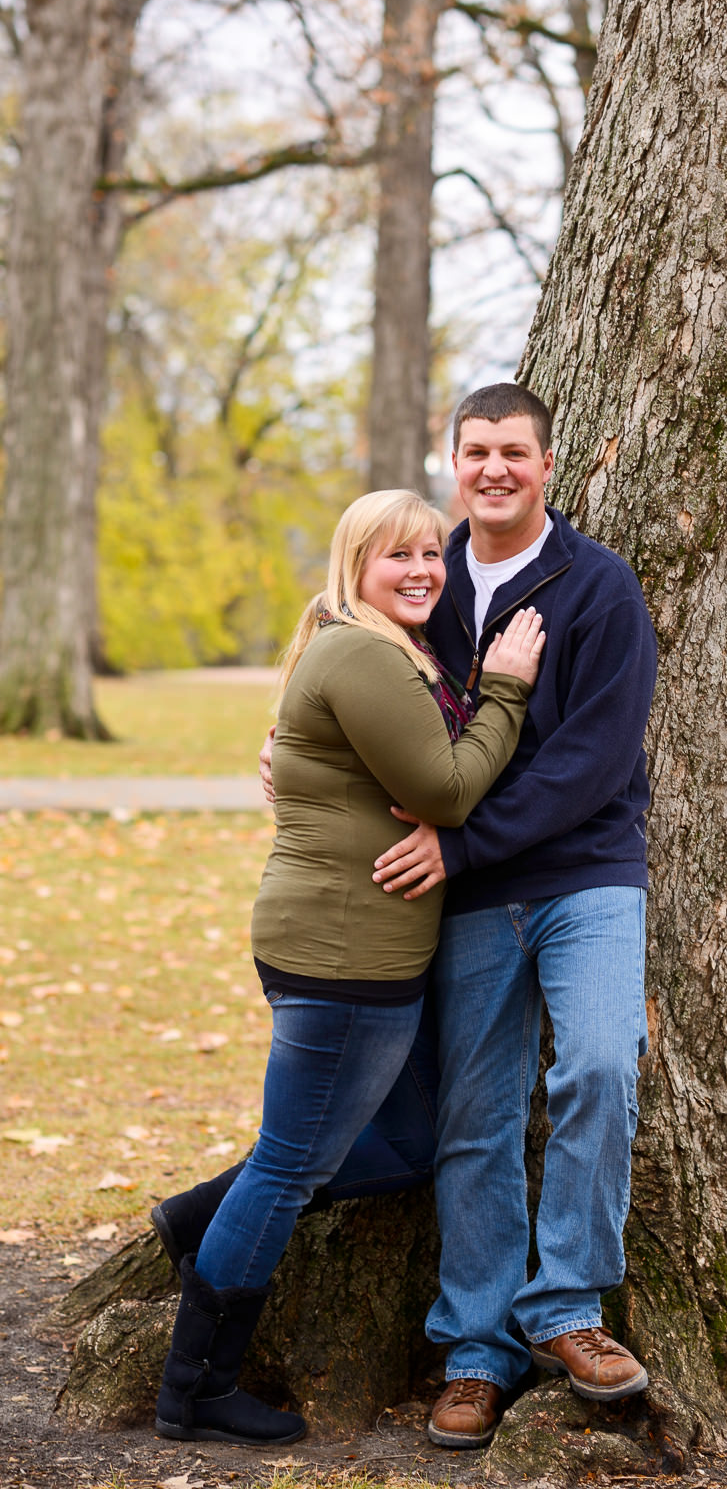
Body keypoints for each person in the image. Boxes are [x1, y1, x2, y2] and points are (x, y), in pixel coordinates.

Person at [153, 489, 545, 1448]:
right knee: (290, 1168)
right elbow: (445, 790)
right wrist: (507, 690)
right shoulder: (364, 652)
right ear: (353, 566)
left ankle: (193, 1220)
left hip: (367, 951)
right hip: (343, 956)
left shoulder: (385, 650)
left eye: (429, 553)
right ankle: (197, 1387)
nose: (419, 571)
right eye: (394, 557)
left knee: (405, 1145)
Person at [368, 384, 658, 1448]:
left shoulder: (599, 587)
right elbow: (354, 690)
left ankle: (569, 1307)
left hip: (587, 875)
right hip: (472, 896)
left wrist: (462, 840)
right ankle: (478, 1349)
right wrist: (289, 758)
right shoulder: (422, 581)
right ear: (455, 460)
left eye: (515, 453)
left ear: (548, 465)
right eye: (477, 451)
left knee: (600, 1066)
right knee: (475, 1115)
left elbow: (590, 764)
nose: (495, 469)